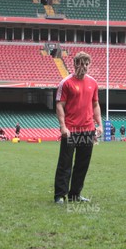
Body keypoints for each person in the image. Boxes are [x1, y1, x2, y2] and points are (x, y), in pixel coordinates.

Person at [54, 51, 102, 204]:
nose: (84, 66)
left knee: (82, 164)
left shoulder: (93, 83)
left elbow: (95, 104)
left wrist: (99, 124)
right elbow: (59, 105)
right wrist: (63, 126)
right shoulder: (66, 83)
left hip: (87, 129)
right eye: (81, 63)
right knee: (65, 163)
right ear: (74, 64)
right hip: (71, 130)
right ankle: (60, 195)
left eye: (86, 64)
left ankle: (75, 194)